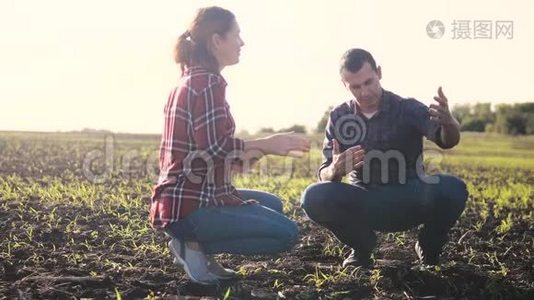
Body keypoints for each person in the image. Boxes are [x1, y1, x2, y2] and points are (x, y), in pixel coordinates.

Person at [150, 6, 311, 285]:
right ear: (216, 40)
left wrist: (258, 151)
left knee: (273, 204)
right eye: (236, 35)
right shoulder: (207, 83)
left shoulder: (189, 79)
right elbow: (212, 148)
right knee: (287, 233)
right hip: (191, 204)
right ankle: (194, 246)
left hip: (181, 198)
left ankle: (197, 248)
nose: (242, 42)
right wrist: (267, 144)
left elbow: (207, 154)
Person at [301, 48, 468, 268]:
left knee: (453, 188)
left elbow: (447, 141)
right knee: (313, 196)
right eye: (355, 87)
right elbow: (324, 172)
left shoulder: (407, 108)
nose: (364, 92)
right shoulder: (339, 116)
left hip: (411, 196)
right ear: (344, 84)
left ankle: (429, 246)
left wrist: (448, 122)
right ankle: (361, 247)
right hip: (364, 201)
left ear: (378, 73)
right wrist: (334, 170)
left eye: (368, 82)